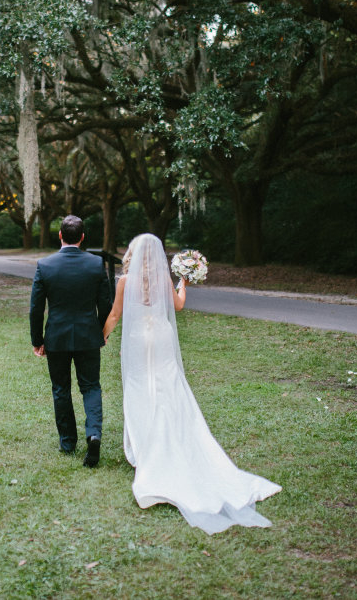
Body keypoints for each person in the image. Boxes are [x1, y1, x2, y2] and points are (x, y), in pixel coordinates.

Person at [102, 233, 281, 533]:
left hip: (138, 341)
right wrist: (182, 283)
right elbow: (179, 306)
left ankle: (146, 448)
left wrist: (103, 334)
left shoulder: (125, 281)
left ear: (134, 253)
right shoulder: (162, 279)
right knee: (169, 387)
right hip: (160, 337)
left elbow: (116, 314)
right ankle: (172, 438)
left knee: (140, 388)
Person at [30, 214, 112, 467]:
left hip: (57, 337)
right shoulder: (96, 264)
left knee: (61, 388)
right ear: (83, 237)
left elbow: (36, 308)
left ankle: (67, 442)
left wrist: (37, 340)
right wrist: (101, 332)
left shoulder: (45, 265)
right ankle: (94, 433)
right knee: (91, 386)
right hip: (88, 335)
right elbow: (105, 305)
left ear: (60, 236)